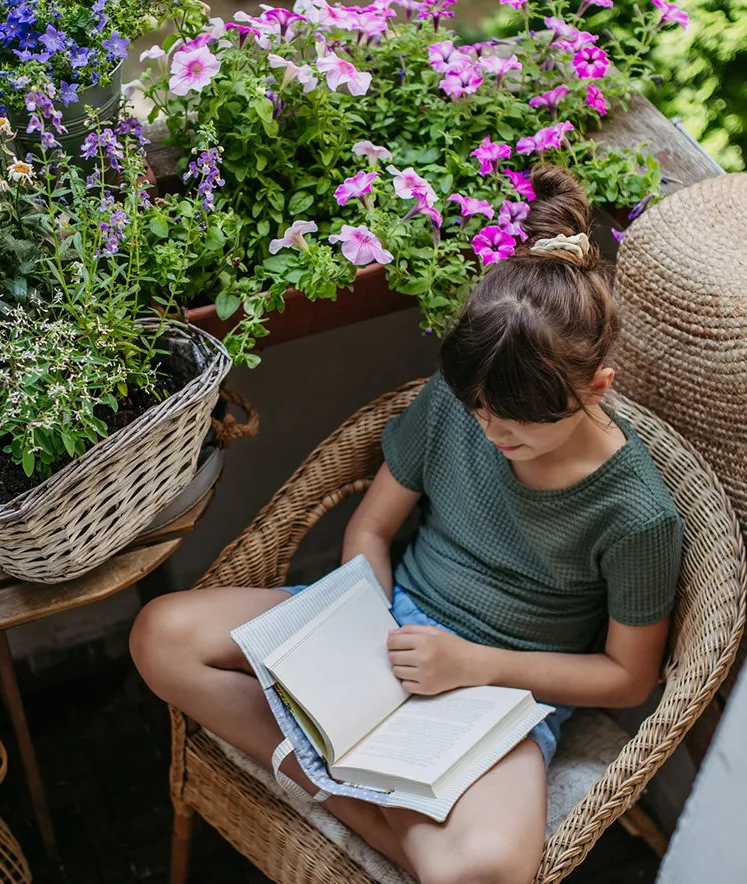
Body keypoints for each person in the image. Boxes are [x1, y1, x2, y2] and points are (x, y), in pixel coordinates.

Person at [129, 165, 683, 884]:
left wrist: (472, 664)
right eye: (479, 408)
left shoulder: (636, 515)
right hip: (386, 630)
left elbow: (627, 678)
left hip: (501, 691)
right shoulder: (458, 403)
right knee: (161, 636)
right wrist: (366, 618)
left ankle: (344, 789)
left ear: (596, 387)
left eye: (515, 421)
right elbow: (370, 530)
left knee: (484, 871)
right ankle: (364, 793)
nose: (490, 432)